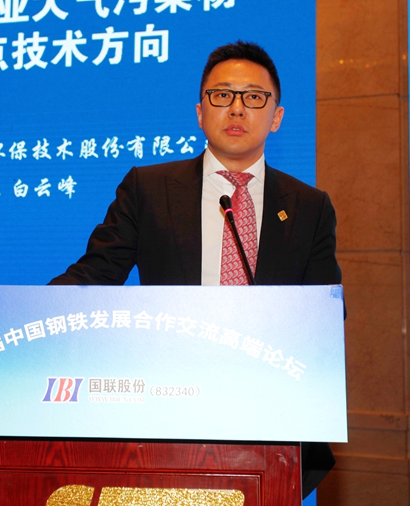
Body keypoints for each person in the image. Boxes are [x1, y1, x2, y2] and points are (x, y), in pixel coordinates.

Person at [50, 41, 341, 497]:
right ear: (201, 112)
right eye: (222, 95)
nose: (237, 108)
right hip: (166, 409)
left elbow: (325, 313)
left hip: (269, 419)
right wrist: (28, 313)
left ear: (277, 117)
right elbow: (94, 275)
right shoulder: (149, 188)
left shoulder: (309, 206)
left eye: (254, 97)